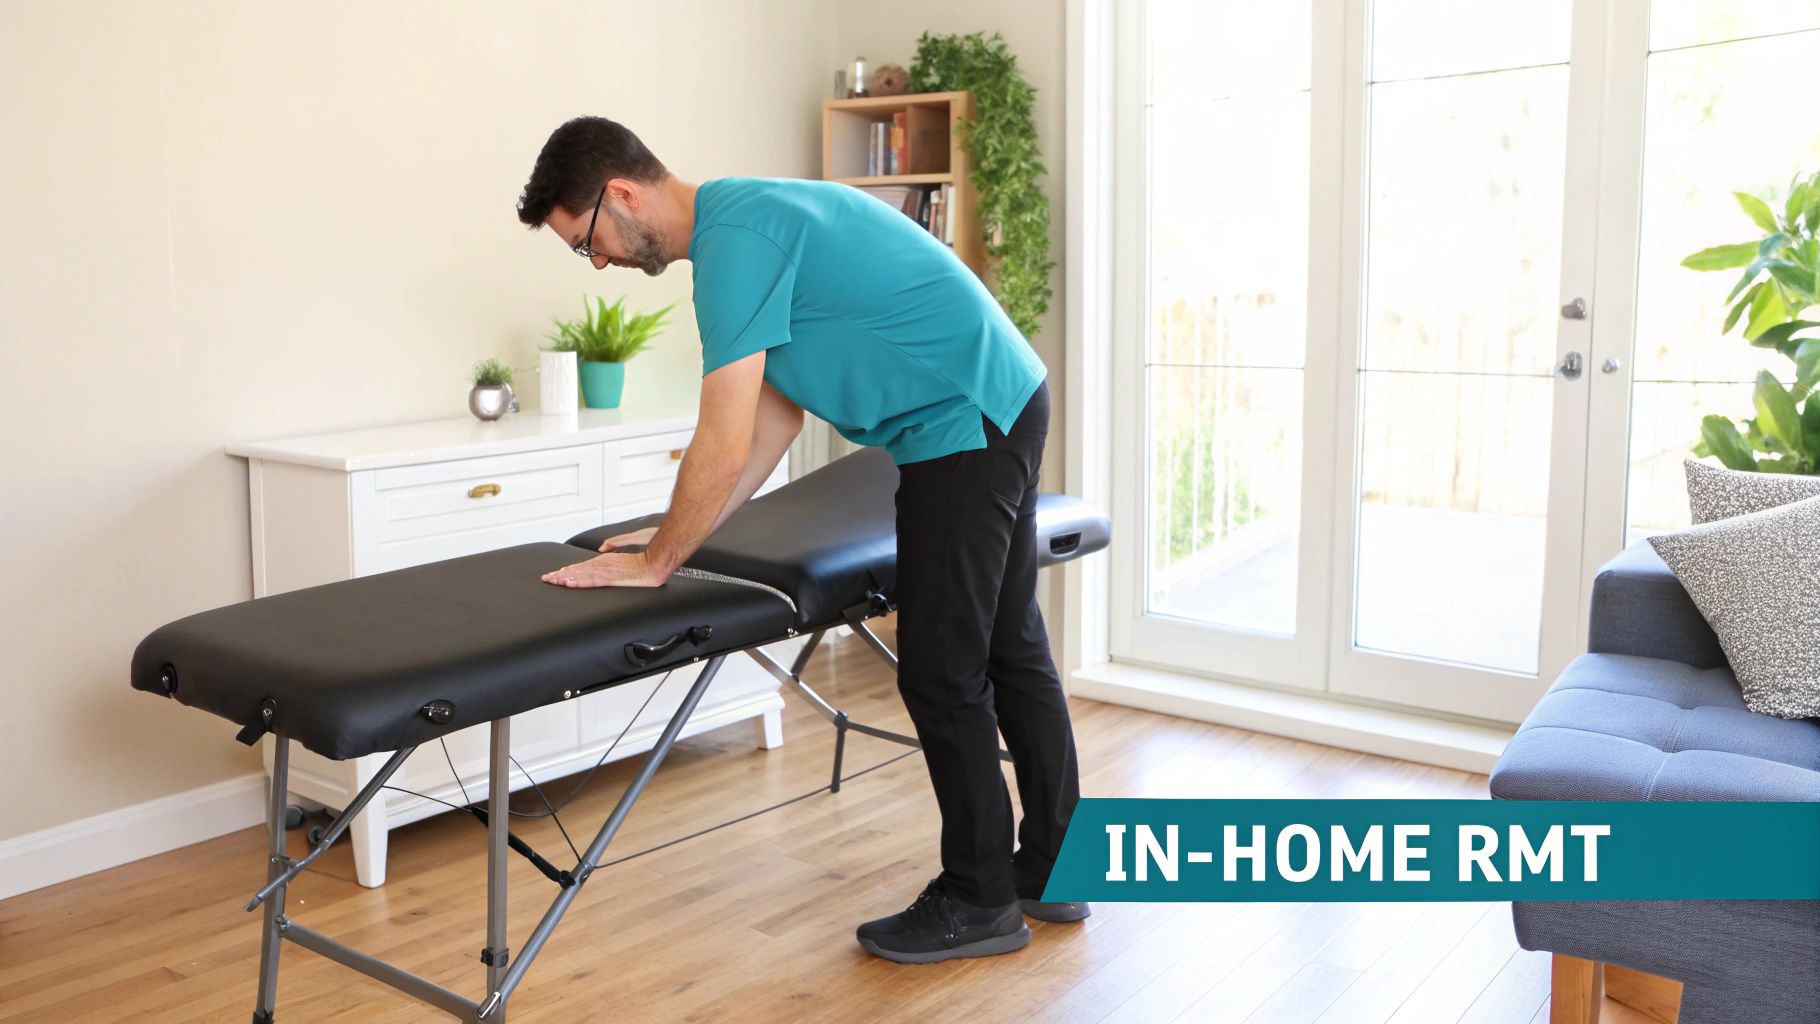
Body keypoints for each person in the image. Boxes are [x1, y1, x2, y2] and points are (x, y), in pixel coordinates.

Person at [515, 116, 1086, 964]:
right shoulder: (746, 227)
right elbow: (763, 429)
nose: (596, 261)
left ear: (622, 194)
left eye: (584, 240)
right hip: (994, 400)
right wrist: (682, 531)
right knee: (1008, 643)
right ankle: (1053, 867)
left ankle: (979, 899)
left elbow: (718, 436)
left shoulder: (735, 246)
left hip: (962, 423)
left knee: (943, 663)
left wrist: (657, 562)